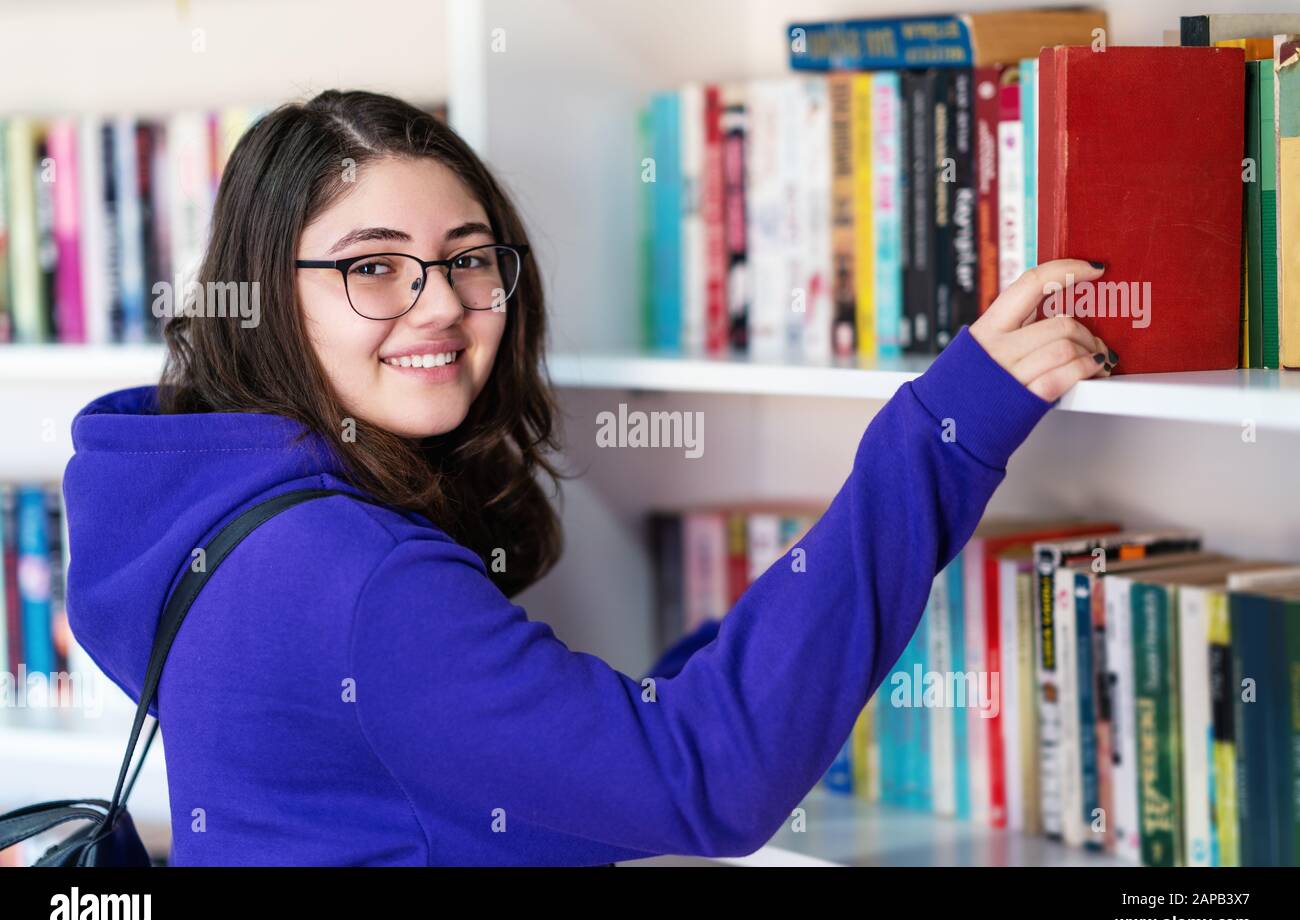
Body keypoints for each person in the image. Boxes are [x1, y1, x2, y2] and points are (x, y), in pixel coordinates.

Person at [62, 90, 1114, 866]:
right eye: (372, 266)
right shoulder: (357, 578)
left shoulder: (205, 511)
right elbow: (708, 784)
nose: (439, 304)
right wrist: (939, 435)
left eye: (470, 257)